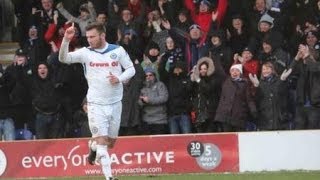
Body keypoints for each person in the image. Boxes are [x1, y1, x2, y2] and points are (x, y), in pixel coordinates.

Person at [59, 22, 135, 180]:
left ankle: (92, 147)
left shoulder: (117, 50)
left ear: (102, 35)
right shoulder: (85, 53)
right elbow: (64, 58)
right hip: (95, 104)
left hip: (115, 103)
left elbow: (131, 69)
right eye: (87, 37)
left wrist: (119, 78)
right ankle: (109, 177)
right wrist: (66, 40)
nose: (89, 40)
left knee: (110, 143)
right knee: (102, 144)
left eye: (92, 37)